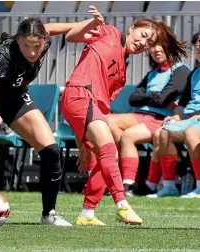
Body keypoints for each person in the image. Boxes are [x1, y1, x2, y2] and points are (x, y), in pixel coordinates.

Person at [0, 15, 98, 227]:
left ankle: (49, 214)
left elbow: (53, 28)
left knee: (51, 150)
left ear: (43, 40)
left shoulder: (42, 40)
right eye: (26, 45)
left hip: (16, 100)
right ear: (18, 40)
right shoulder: (4, 55)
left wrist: (89, 24)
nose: (33, 52)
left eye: (37, 45)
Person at [62, 6, 188, 225]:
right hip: (79, 95)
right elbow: (71, 36)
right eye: (143, 35)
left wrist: (84, 144)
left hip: (89, 107)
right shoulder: (108, 31)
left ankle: (87, 214)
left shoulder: (121, 75)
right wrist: (92, 24)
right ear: (132, 29)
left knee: (107, 158)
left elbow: (98, 110)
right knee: (110, 149)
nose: (143, 43)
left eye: (148, 43)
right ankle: (122, 204)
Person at [105, 42, 190, 196]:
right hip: (141, 115)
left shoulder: (181, 71)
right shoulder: (152, 73)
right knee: (107, 121)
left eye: (161, 45)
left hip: (161, 118)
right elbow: (133, 99)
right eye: (152, 46)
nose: (156, 49)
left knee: (128, 135)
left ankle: (128, 184)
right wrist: (154, 96)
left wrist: (149, 98)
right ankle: (119, 173)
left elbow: (162, 100)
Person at [147, 41, 200, 198]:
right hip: (189, 119)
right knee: (164, 132)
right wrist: (177, 115)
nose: (198, 48)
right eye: (197, 45)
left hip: (195, 122)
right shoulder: (194, 74)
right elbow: (183, 103)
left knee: (191, 132)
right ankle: (169, 186)